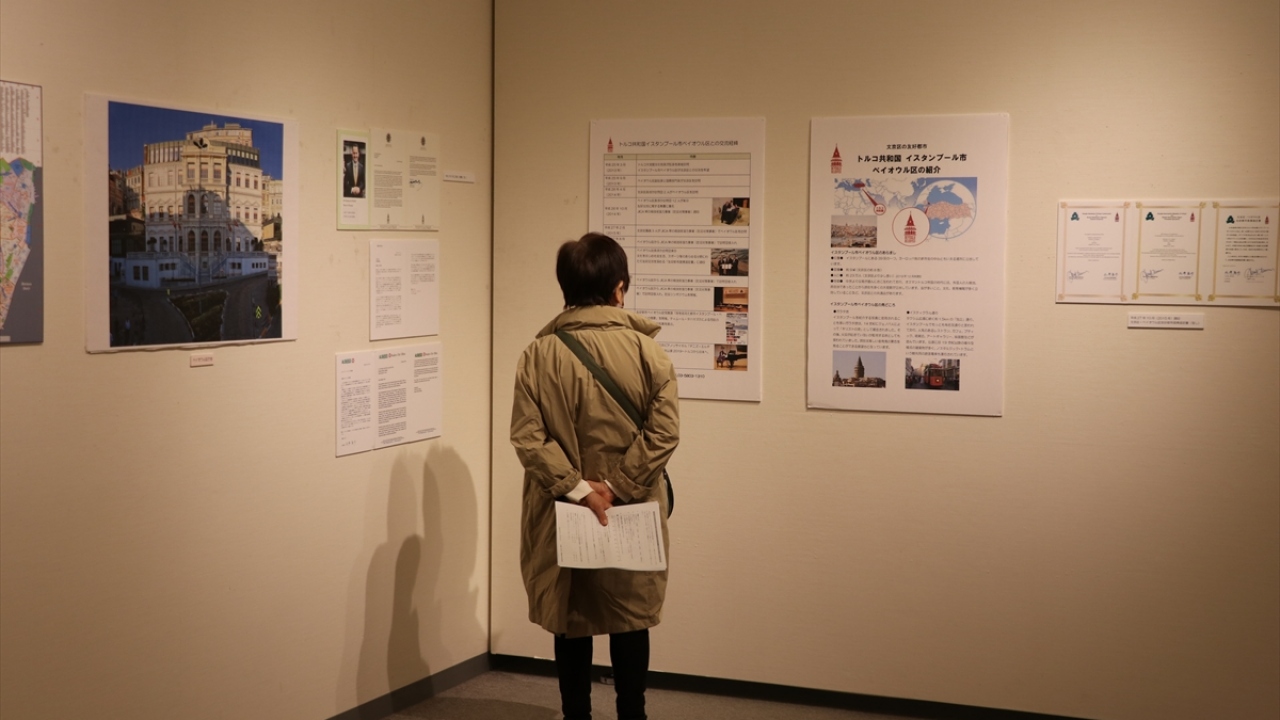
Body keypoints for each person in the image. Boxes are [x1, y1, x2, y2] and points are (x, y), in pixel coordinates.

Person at [511, 232, 679, 720]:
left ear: (565, 286)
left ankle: (576, 715)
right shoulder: (651, 355)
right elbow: (664, 434)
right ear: (619, 288)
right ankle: (632, 713)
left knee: (572, 618)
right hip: (633, 509)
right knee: (630, 618)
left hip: (563, 508)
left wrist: (581, 490)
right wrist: (619, 487)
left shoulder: (538, 356)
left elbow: (527, 437)